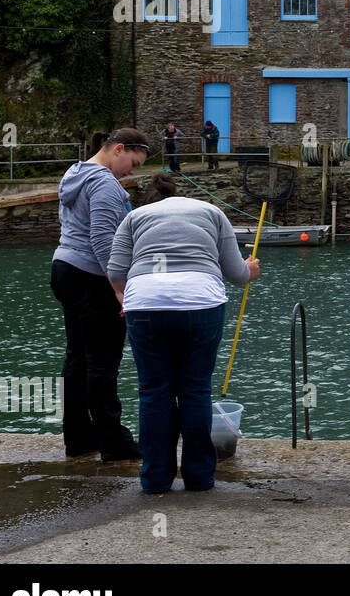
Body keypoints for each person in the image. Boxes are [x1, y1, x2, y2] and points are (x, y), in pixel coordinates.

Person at [106, 173, 261, 494]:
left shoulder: (134, 217)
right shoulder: (213, 213)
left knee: (154, 391)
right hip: (200, 300)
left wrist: (125, 299)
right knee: (195, 390)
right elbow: (236, 274)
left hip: (145, 304)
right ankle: (199, 477)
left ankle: (155, 479)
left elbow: (116, 270)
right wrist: (251, 271)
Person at [50, 128, 151, 460]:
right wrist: (121, 291)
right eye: (133, 163)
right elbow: (103, 242)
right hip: (93, 278)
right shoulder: (106, 185)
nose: (131, 172)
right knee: (102, 362)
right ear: (118, 149)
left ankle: (77, 437)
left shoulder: (74, 173)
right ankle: (113, 442)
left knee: (77, 358)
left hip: (64, 269)